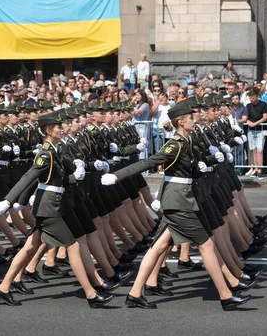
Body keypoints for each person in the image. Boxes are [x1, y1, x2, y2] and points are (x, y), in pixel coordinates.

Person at [100, 100, 251, 311]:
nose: (194, 119)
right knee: (206, 245)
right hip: (179, 203)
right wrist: (116, 176)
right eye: (190, 117)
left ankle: (135, 293)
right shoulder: (174, 144)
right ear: (180, 121)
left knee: (159, 246)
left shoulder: (186, 141)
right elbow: (148, 163)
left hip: (181, 198)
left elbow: (189, 169)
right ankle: (225, 295)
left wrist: (205, 162)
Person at [0, 110, 115, 308]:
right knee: (73, 246)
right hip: (50, 207)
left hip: (54, 204)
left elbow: (62, 179)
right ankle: (91, 293)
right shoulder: (45, 154)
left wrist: (77, 176)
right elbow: (29, 177)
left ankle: (4, 288)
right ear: (49, 130)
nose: (62, 128)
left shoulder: (55, 150)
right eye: (58, 126)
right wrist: (8, 201)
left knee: (29, 248)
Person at [240, 88, 267, 177]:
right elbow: (245, 116)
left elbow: (265, 117)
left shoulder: (263, 104)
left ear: (257, 97)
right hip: (251, 131)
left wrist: (255, 123)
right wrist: (248, 122)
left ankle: (260, 169)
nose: (251, 100)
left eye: (253, 98)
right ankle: (255, 169)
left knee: (260, 150)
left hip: (260, 130)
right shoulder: (248, 106)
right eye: (250, 98)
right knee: (253, 150)